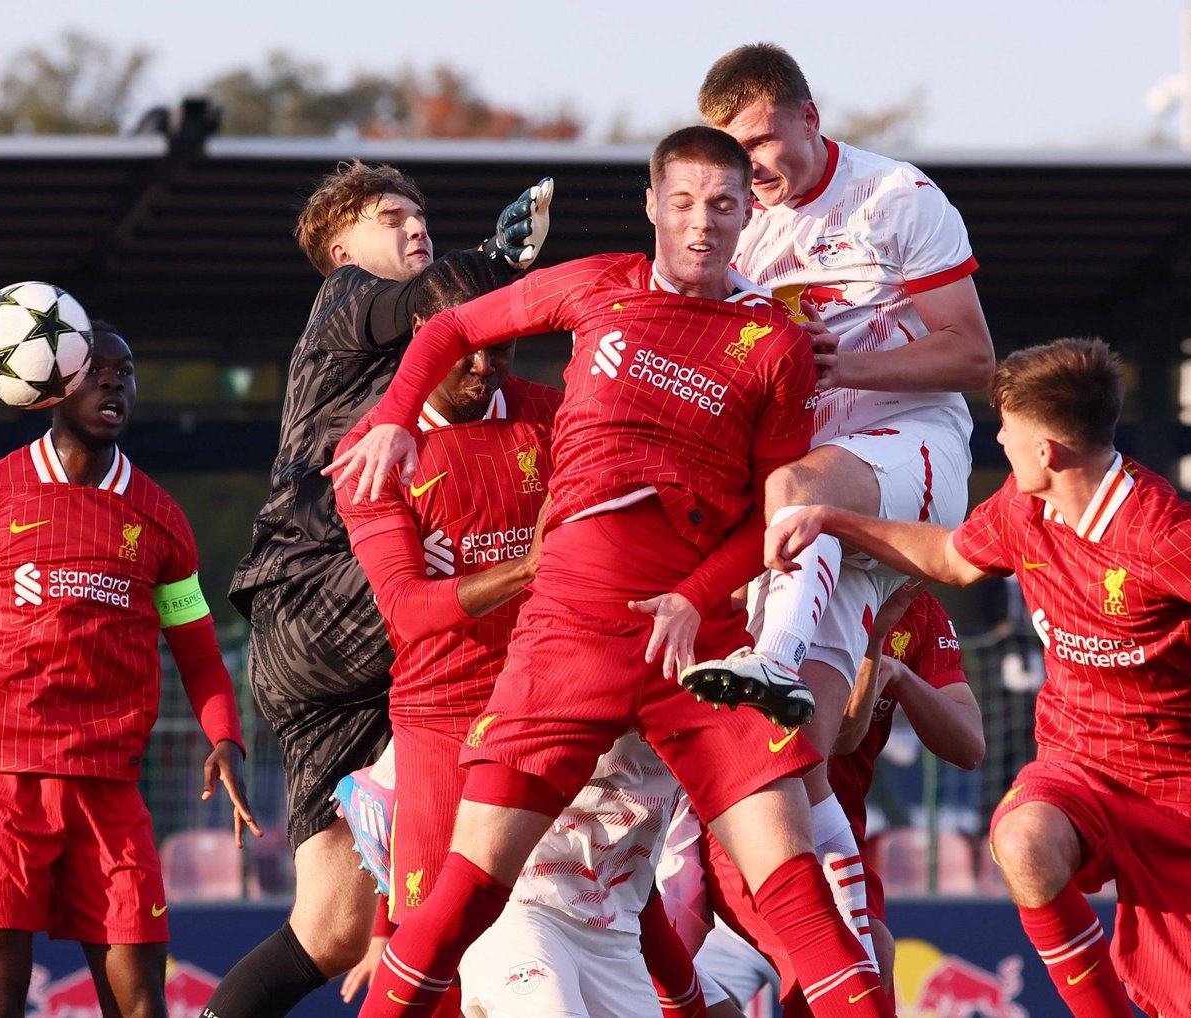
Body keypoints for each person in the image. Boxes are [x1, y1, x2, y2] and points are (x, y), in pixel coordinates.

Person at [330, 126, 887, 1018]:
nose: (701, 224)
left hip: (696, 640)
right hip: (570, 629)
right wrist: (398, 417)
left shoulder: (774, 346)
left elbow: (771, 516)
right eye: (683, 202)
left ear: (750, 212)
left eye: (722, 205)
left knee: (805, 909)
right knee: (463, 899)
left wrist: (696, 596)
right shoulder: (603, 283)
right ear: (652, 205)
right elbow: (453, 325)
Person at [764, 337, 1191, 1018]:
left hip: (1180, 795)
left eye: (1008, 428)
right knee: (1022, 842)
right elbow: (949, 555)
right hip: (1077, 766)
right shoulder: (1023, 507)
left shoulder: (1164, 535)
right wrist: (833, 520)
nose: (996, 437)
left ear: (1047, 452)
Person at [680, 43, 995, 966]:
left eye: (766, 143)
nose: (755, 169)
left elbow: (973, 357)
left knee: (797, 491)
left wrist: (840, 364)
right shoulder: (740, 227)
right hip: (807, 510)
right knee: (792, 755)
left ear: (811, 120)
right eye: (734, 156)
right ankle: (851, 951)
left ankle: (774, 655)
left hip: (913, 454)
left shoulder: (896, 199)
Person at [216, 163, 552, 1015]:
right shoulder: (346, 298)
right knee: (513, 583)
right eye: (391, 217)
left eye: (423, 218)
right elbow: (435, 308)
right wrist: (491, 267)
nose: (415, 229)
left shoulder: (438, 346)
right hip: (319, 597)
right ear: (339, 248)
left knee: (327, 930)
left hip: (346, 673)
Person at [0, 323, 257, 1018]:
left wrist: (225, 736)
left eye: (127, 372)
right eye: (97, 369)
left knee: (141, 1002)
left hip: (109, 789)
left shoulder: (160, 518)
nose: (115, 382)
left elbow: (195, 647)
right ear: (49, 380)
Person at [699, 588, 982, 1013]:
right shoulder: (790, 590)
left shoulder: (917, 609)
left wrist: (902, 677)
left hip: (839, 837)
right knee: (853, 959)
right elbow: (839, 741)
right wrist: (872, 648)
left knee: (866, 963)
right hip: (754, 825)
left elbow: (970, 745)